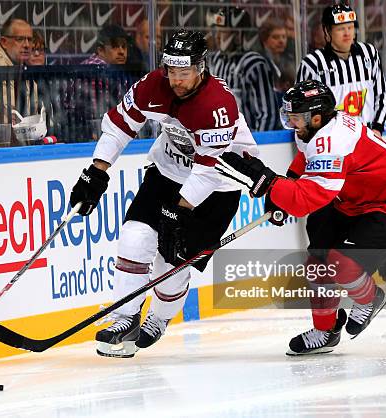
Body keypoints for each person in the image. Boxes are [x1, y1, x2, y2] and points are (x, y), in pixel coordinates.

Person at [69, 30, 258, 358]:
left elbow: (209, 169)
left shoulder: (217, 105)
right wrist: (96, 171)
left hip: (218, 185)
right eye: (171, 71)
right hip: (169, 169)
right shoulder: (152, 84)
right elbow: (119, 125)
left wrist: (179, 211)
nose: (176, 80)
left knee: (173, 261)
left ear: (200, 68)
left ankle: (158, 318)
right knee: (134, 236)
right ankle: (125, 318)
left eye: (184, 73)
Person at [215, 80, 386, 355]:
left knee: (341, 264)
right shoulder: (313, 129)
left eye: (295, 117)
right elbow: (307, 160)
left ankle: (369, 298)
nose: (292, 123)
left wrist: (269, 182)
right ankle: (325, 331)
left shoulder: (332, 141)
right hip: (351, 199)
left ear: (316, 117)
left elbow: (308, 200)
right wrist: (286, 181)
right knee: (317, 261)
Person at [296, 2, 386, 293]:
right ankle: (321, 272)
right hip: (330, 150)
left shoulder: (368, 54)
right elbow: (303, 111)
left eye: (350, 27)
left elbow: (381, 93)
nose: (347, 33)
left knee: (378, 208)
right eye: (340, 28)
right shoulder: (313, 64)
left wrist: (376, 129)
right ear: (326, 32)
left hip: (364, 151)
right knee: (324, 208)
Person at [206, 6, 280, 132]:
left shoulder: (253, 64)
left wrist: (260, 144)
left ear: (238, 34)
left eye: (223, 32)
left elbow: (267, 115)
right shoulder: (215, 60)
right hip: (220, 139)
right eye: (216, 31)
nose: (217, 36)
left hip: (247, 141)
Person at [260, 19, 296, 94]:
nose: (281, 41)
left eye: (284, 37)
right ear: (264, 40)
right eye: (276, 37)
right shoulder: (260, 63)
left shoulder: (289, 60)